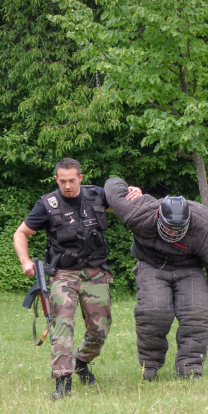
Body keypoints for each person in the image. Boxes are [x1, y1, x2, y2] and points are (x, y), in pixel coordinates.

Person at [13, 158, 141, 399]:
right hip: (64, 274)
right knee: (62, 325)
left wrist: (134, 191)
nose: (67, 186)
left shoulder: (97, 196)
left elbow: (125, 204)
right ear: (56, 180)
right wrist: (25, 261)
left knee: (100, 330)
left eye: (72, 180)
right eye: (62, 181)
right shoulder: (48, 204)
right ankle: (62, 379)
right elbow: (21, 233)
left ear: (80, 178)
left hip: (95, 272)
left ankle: (82, 361)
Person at [103, 177, 208, 380]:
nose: (172, 231)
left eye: (178, 228)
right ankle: (150, 367)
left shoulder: (203, 223)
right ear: (159, 217)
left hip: (189, 269)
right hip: (151, 265)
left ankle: (190, 369)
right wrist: (127, 188)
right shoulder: (137, 213)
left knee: (196, 315)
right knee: (153, 312)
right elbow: (112, 187)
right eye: (169, 227)